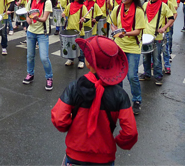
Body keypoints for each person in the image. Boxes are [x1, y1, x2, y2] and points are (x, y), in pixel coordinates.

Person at [51, 36, 138, 166]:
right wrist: (117, 141)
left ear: (88, 62)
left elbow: (59, 119)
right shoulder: (120, 94)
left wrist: (70, 126)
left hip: (75, 156)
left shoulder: (74, 87)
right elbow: (130, 132)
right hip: (105, 159)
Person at [107, 0, 146, 115]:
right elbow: (112, 23)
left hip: (133, 47)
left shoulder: (139, 12)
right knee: (118, 75)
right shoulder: (118, 8)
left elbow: (138, 31)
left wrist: (125, 33)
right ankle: (120, 98)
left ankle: (137, 100)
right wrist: (115, 30)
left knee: (132, 76)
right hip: (119, 45)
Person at [139, 0, 174, 86]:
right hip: (145, 36)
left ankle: (158, 76)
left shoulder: (164, 6)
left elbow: (171, 18)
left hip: (157, 37)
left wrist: (164, 28)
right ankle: (147, 74)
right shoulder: (145, 5)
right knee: (145, 57)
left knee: (156, 58)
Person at [23, 0, 54, 90]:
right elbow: (27, 14)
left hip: (42, 33)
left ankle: (49, 78)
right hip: (31, 32)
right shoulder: (30, 1)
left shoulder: (47, 2)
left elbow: (44, 18)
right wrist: (28, 20)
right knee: (30, 56)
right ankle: (30, 74)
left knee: (44, 58)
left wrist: (37, 18)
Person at [154, 0, 178, 75]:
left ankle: (167, 66)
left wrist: (170, 23)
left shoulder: (168, 3)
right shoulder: (152, 3)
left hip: (165, 30)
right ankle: (153, 63)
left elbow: (174, 14)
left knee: (165, 49)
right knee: (154, 48)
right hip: (154, 30)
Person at [61, 0, 90, 68]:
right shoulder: (70, 5)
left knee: (80, 47)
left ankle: (81, 60)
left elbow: (87, 17)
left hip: (79, 30)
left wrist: (84, 19)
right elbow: (65, 12)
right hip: (70, 29)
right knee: (70, 45)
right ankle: (71, 58)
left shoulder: (83, 7)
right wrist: (63, 14)